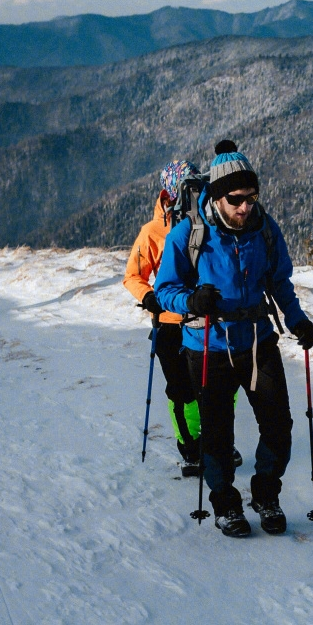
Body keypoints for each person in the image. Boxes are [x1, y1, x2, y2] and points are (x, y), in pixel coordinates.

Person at [154, 140, 313, 538]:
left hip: (259, 342)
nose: (246, 206)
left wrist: (297, 320)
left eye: (252, 197)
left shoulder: (264, 228)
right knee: (217, 432)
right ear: (217, 196)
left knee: (278, 424)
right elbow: (164, 289)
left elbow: (279, 281)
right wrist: (191, 299)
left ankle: (265, 494)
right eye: (236, 199)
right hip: (206, 346)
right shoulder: (188, 235)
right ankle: (226, 504)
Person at [125, 161, 207, 473]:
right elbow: (133, 276)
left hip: (205, 322)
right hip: (170, 324)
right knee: (181, 390)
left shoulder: (208, 223)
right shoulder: (152, 232)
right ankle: (190, 447)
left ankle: (213, 440)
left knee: (215, 387)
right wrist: (149, 297)